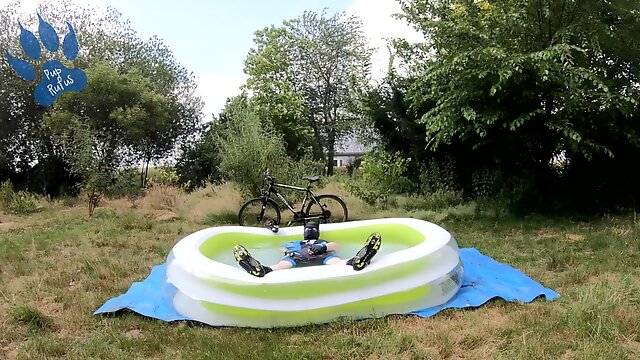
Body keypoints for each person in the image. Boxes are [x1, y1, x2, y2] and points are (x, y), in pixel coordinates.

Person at [233, 221, 382, 278]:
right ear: (304, 230)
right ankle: (261, 269)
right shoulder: (295, 241)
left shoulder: (322, 241)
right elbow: (282, 247)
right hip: (297, 256)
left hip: (321, 255)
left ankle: (357, 261)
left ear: (317, 231)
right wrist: (288, 252)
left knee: (336, 262)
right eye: (308, 227)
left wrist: (322, 246)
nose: (310, 229)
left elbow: (335, 245)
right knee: (282, 265)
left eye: (313, 228)